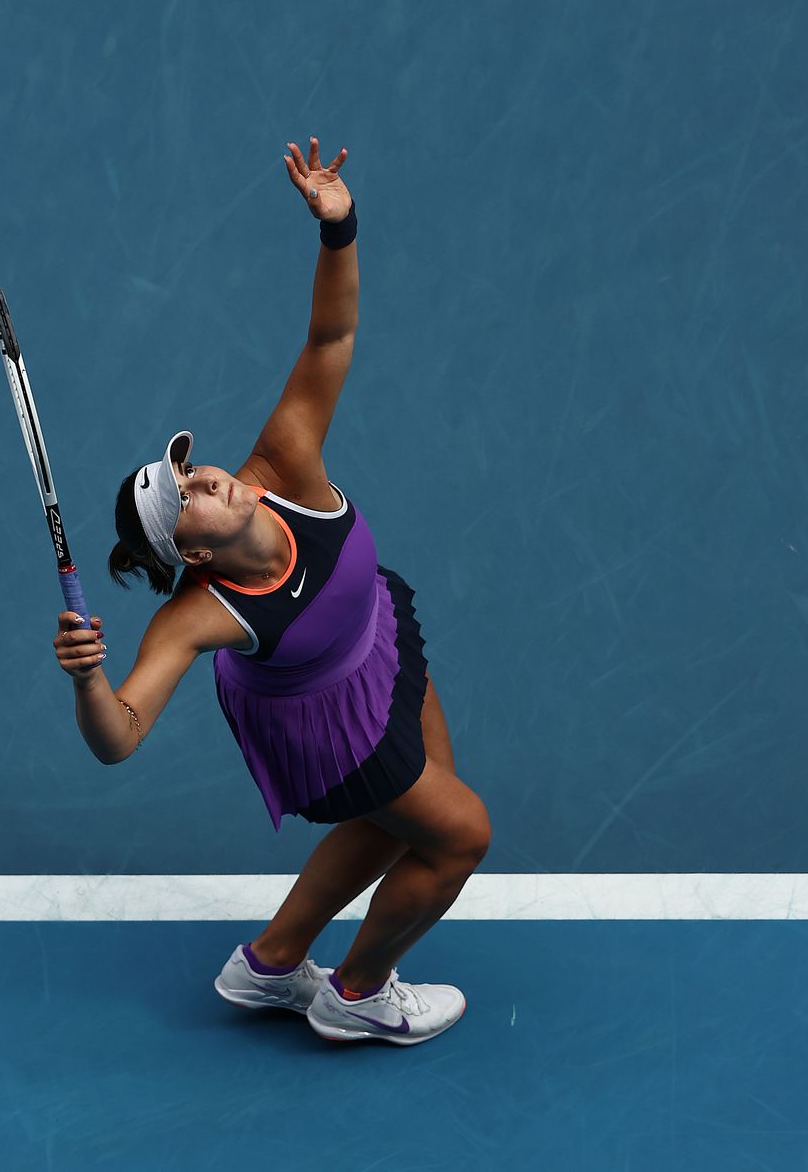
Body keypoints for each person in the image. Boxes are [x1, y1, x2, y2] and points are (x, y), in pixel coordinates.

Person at [54, 135, 492, 1046]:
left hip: (376, 635)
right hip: (325, 722)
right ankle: (359, 992)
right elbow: (118, 740)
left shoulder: (284, 457)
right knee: (458, 834)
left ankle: (270, 964)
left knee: (408, 813)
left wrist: (339, 229)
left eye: (190, 467)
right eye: (186, 498)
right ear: (193, 554)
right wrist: (89, 680)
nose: (204, 475)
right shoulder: (199, 613)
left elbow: (331, 336)